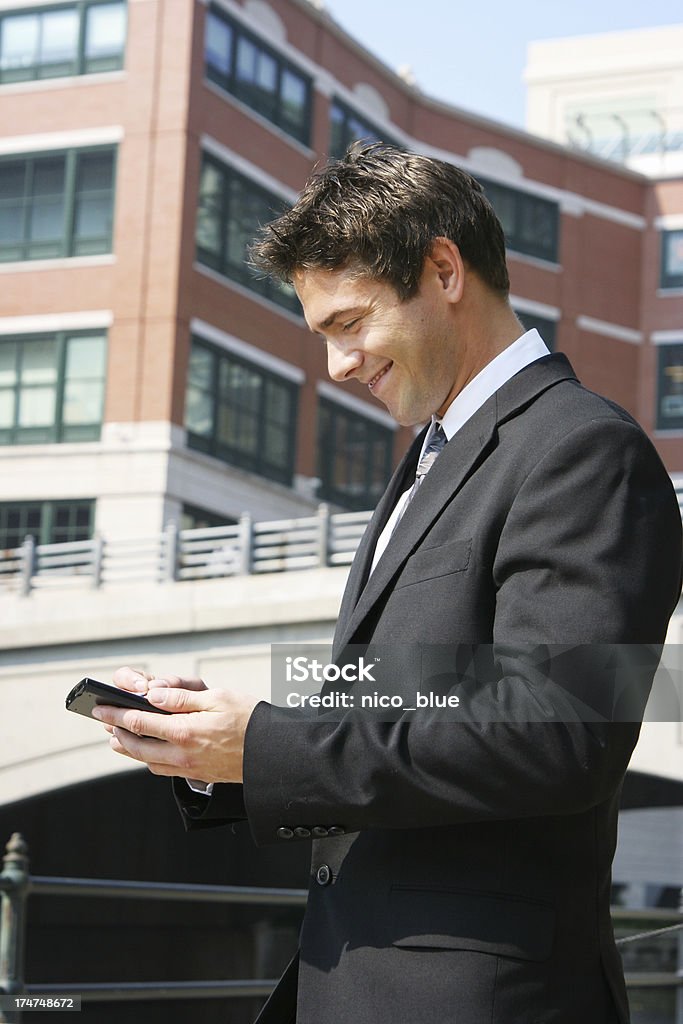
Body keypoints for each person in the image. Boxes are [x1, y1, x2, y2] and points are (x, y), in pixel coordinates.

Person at [93, 144, 683, 1023]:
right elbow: (415, 708)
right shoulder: (431, 458)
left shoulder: (580, 448)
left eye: (348, 323)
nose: (337, 365)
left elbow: (559, 734)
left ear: (442, 268)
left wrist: (265, 748)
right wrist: (213, 745)